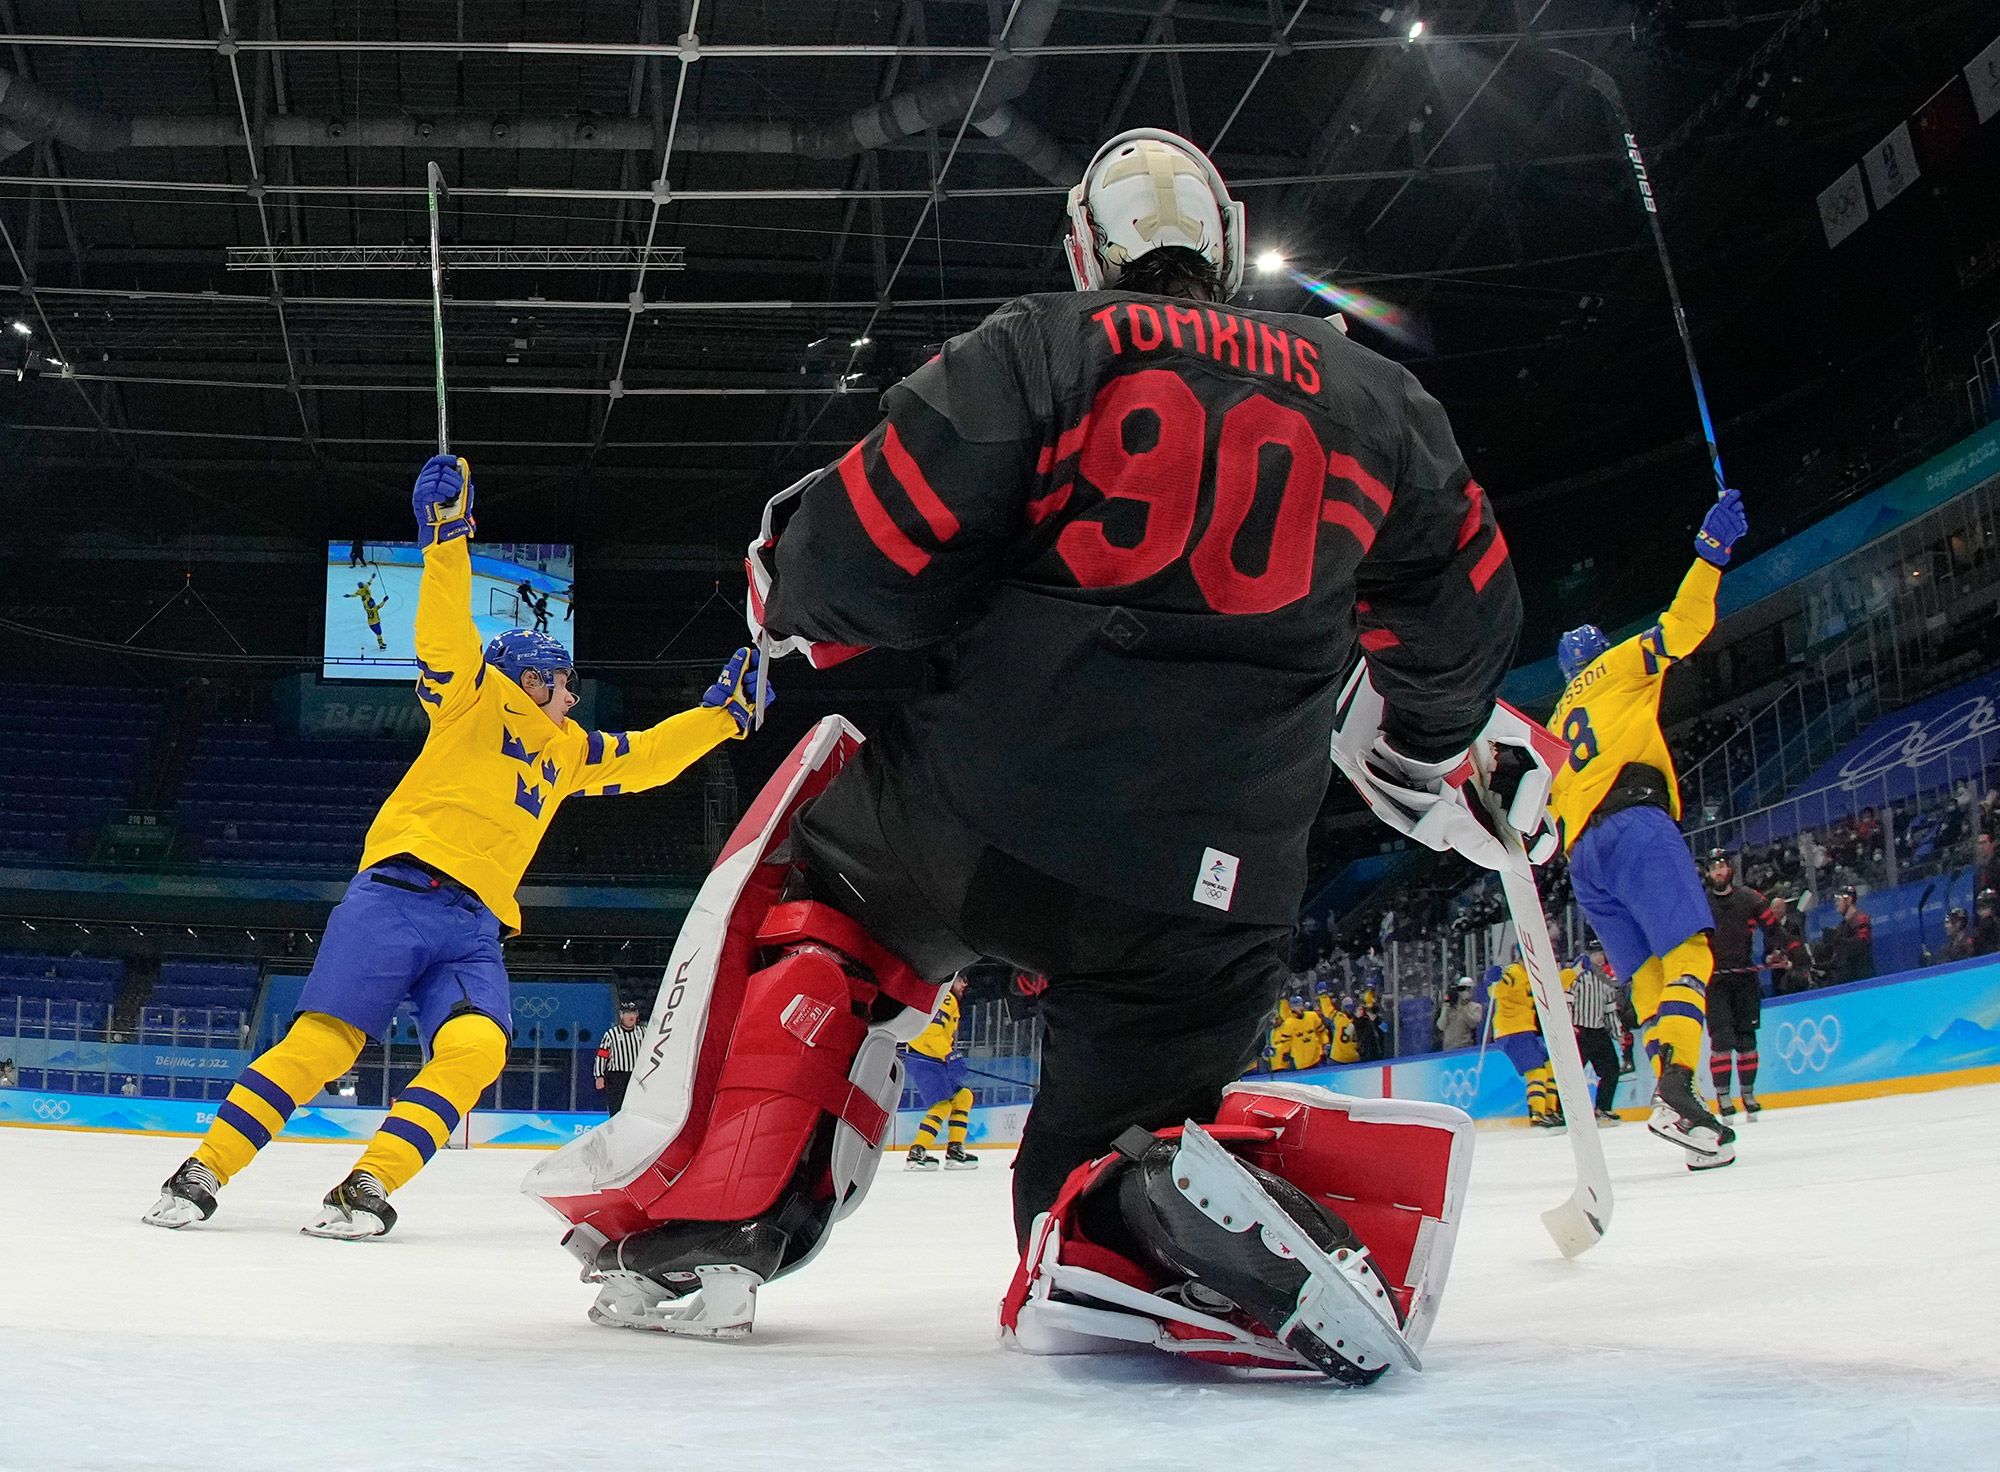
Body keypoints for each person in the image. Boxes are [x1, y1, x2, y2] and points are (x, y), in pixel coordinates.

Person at [534, 128, 1531, 1383]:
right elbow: (1466, 626)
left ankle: (716, 1226)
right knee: (1090, 1182)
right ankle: (1139, 1210)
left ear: (1085, 244)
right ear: (1222, 243)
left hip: (975, 822)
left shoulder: (1043, 347)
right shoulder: (1381, 401)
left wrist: (782, 589)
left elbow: (852, 568)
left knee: (821, 891)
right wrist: (1427, 744)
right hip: (1210, 892)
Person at [143, 454, 772, 1237]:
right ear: (531, 680)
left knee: (477, 1049)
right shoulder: (474, 695)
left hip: (474, 927)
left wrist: (723, 716)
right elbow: (444, 629)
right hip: (396, 896)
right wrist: (445, 539)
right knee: (321, 1048)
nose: (574, 693)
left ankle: (365, 1186)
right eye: (564, 680)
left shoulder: (568, 749)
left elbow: (646, 759)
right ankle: (202, 1171)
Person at [1546, 486, 1750, 1170]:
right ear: (1596, 652)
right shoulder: (1616, 667)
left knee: (1647, 978)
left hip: (1583, 858)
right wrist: (1710, 555)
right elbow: (1682, 628)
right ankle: (1677, 1089)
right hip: (1634, 823)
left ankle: (1683, 1111)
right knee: (1692, 951)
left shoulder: (1552, 724)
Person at [1702, 848, 1776, 1122]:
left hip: (1745, 977)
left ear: (1730, 869)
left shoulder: (1748, 898)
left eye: (1721, 866)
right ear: (1708, 873)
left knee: (1747, 1040)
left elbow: (1773, 929)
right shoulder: (1701, 902)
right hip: (1715, 981)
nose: (1718, 872)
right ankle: (1723, 1097)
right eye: (1713, 868)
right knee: (1721, 1040)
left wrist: (1779, 952)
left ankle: (1748, 1094)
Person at [901, 973, 979, 1170]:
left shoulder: (945, 997)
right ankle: (917, 1153)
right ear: (952, 981)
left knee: (963, 1097)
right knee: (942, 1105)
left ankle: (955, 1150)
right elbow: (931, 1033)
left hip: (932, 1058)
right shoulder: (946, 998)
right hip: (925, 1058)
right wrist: (949, 1054)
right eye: (962, 979)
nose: (965, 984)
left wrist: (947, 1055)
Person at [1490, 951, 1559, 1128]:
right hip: (1513, 1030)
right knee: (1536, 1071)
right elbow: (1498, 989)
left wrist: (1575, 971)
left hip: (1526, 1030)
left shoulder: (1533, 975)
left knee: (1550, 1066)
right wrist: (1492, 980)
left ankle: (1550, 1110)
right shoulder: (1514, 972)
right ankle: (1537, 1113)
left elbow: (1554, 986)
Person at [1567, 945, 1623, 1125]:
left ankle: (1603, 1108)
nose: (1599, 958)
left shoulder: (1606, 980)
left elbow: (1610, 1010)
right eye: (1595, 955)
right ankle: (1564, 1111)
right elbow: (1567, 1001)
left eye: (1601, 954)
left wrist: (1617, 1033)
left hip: (1598, 1031)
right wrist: (1568, 1026)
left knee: (1612, 1070)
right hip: (1579, 1031)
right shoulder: (1577, 978)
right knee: (1571, 1075)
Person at [594, 999, 644, 1114]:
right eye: (628, 1013)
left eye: (633, 1013)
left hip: (636, 1076)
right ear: (622, 1015)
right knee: (616, 1107)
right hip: (617, 1077)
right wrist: (599, 1075)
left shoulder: (642, 1032)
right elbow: (602, 1055)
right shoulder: (611, 1034)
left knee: (636, 1107)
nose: (631, 1016)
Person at [1823, 885, 1875, 984]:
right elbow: (1839, 956)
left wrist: (1837, 940)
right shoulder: (1842, 926)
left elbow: (1861, 944)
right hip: (1848, 980)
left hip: (1862, 979)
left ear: (1849, 900)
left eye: (1838, 899)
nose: (1836, 903)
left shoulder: (1861, 919)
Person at [343, 580, 391, 652]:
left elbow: (365, 604)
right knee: (379, 634)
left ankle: (381, 644)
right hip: (375, 622)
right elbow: (380, 605)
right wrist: (384, 600)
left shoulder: (367, 609)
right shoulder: (374, 609)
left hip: (371, 623)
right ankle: (381, 645)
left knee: (379, 634)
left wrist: (351, 596)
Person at [1436, 979, 1482, 1050]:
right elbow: (1441, 1027)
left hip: (1465, 1046)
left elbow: (1473, 1024)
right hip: (1448, 1047)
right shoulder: (1448, 1008)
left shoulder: (1475, 1007)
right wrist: (1445, 1010)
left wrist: (1462, 1007)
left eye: (1467, 989)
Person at [1974, 889, 2000, 956]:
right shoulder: (1978, 930)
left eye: (1984, 907)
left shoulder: (1997, 926)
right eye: (1979, 907)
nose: (1979, 911)